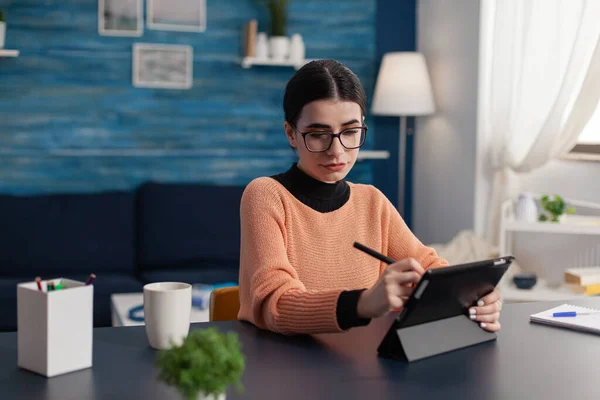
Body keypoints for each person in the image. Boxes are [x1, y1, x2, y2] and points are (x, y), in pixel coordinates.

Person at [238, 59, 502, 335]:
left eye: (350, 132)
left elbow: (430, 268)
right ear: (291, 133)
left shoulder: (372, 202)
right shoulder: (266, 195)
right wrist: (362, 303)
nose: (337, 151)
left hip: (361, 366)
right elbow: (275, 304)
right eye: (318, 135)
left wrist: (473, 297)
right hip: (283, 366)